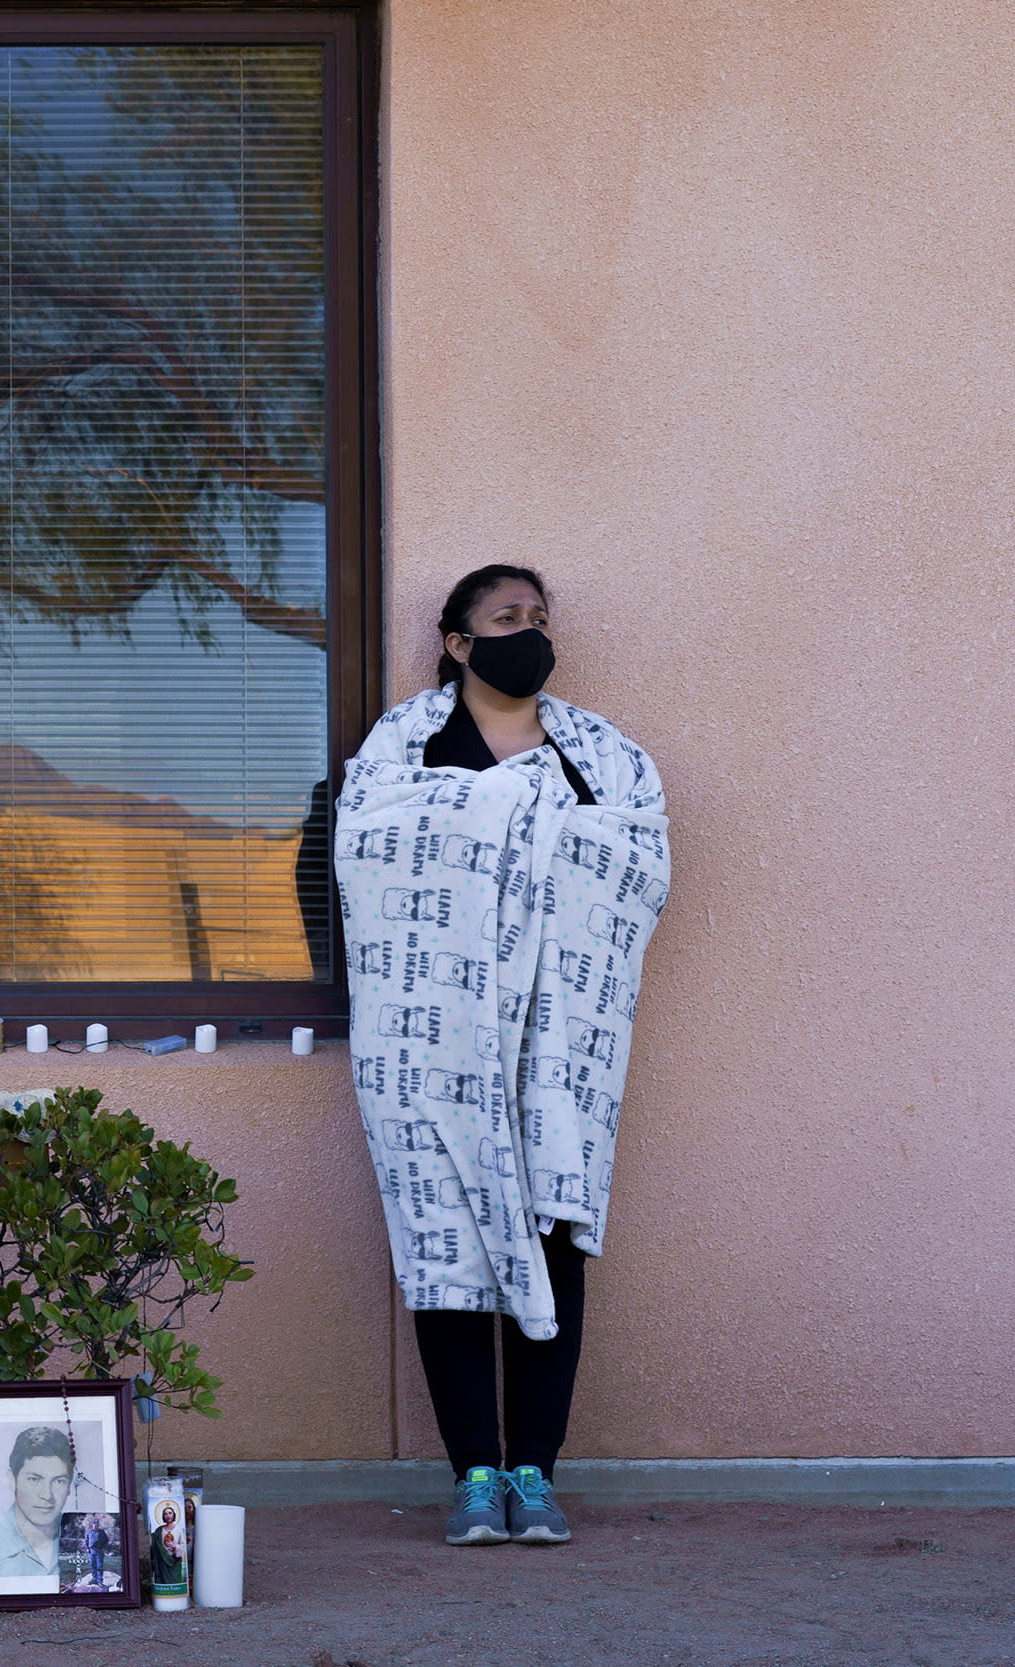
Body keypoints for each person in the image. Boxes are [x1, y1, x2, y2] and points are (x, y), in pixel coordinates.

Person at [334, 565, 669, 1551]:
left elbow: (637, 859)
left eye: (538, 618)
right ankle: (474, 1473)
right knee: (444, 1244)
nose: (529, 631)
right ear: (457, 641)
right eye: (506, 618)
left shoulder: (600, 754)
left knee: (552, 1236)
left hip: (560, 1044)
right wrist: (509, 818)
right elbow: (366, 850)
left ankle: (535, 1468)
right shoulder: (403, 746)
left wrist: (514, 821)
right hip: (428, 1044)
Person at [0, 1426, 73, 1581]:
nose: (47, 1495)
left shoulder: (79, 1537)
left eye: (59, 1481)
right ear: (12, 1480)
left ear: (69, 1486)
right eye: (34, 1479)